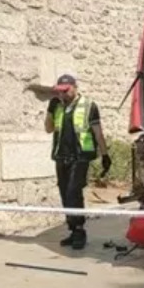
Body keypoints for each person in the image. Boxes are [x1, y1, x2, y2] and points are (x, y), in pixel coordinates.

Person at [45, 74, 110, 250]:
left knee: (74, 191)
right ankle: (72, 229)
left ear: (75, 87)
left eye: (66, 91)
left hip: (81, 156)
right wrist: (50, 111)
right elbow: (48, 129)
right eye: (60, 92)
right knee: (65, 193)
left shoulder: (89, 106)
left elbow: (98, 132)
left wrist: (105, 155)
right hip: (61, 155)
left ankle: (80, 230)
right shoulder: (57, 106)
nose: (63, 95)